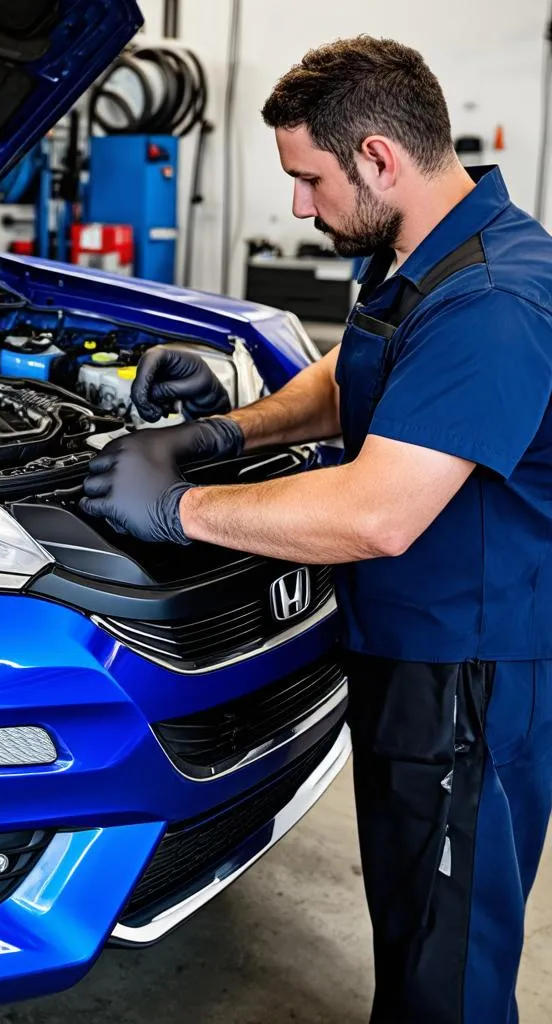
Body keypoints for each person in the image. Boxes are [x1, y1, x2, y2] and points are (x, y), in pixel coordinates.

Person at [80, 35, 552, 1024]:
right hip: (401, 648)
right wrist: (219, 431)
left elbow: (376, 511)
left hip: (466, 677)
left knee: (451, 953)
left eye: (308, 179)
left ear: (377, 157)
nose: (299, 204)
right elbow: (350, 374)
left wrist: (180, 507)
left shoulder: (493, 299)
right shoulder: (421, 253)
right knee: (411, 913)